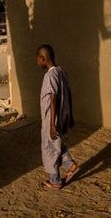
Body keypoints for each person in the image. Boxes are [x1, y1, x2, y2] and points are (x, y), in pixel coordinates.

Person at [36, 44, 80, 189]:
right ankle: (71, 165)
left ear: (43, 58)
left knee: (49, 148)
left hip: (51, 119)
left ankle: (55, 180)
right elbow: (68, 94)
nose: (37, 63)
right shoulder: (61, 72)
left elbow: (53, 98)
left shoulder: (50, 75)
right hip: (60, 116)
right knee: (57, 145)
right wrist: (71, 115)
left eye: (38, 59)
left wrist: (52, 125)